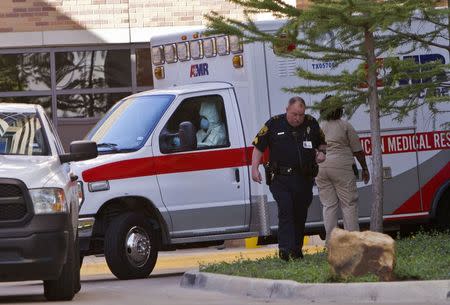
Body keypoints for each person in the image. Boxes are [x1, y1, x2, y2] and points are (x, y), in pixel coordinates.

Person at [251, 96, 327, 261]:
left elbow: (322, 142)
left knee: (300, 214)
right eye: (294, 114)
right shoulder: (274, 123)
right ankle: (285, 251)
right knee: (286, 211)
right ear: (287, 110)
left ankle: (296, 250)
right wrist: (254, 168)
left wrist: (322, 153)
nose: (298, 118)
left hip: (303, 178)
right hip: (281, 179)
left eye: (301, 114)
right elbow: (258, 147)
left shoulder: (311, 123)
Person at [315, 96, 370, 246]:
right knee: (348, 204)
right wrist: (364, 168)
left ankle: (332, 243)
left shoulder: (318, 126)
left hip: (321, 167)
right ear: (340, 108)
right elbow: (358, 150)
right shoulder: (345, 125)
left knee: (329, 205)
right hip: (341, 166)